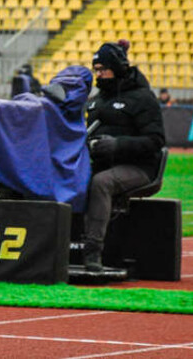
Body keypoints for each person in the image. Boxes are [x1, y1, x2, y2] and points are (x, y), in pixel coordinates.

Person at [83, 42, 165, 272]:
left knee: (102, 182)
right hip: (103, 163)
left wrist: (117, 145)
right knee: (68, 177)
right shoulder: (97, 99)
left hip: (140, 167)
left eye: (103, 69)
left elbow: (156, 141)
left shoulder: (143, 98)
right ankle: (60, 245)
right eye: (96, 70)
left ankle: (92, 251)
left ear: (118, 68)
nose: (99, 74)